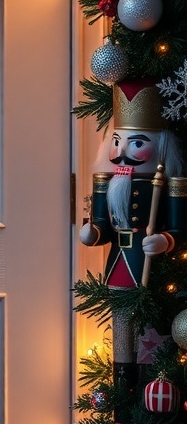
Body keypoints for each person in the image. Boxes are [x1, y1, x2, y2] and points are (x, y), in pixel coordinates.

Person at [79, 78, 187, 389]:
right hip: (119, 266)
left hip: (151, 270)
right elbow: (101, 225)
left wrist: (166, 239)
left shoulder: (168, 185)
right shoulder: (108, 181)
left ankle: (151, 386)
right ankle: (122, 387)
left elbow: (178, 228)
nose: (122, 151)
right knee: (121, 330)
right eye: (117, 141)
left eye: (137, 143)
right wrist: (93, 233)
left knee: (152, 332)